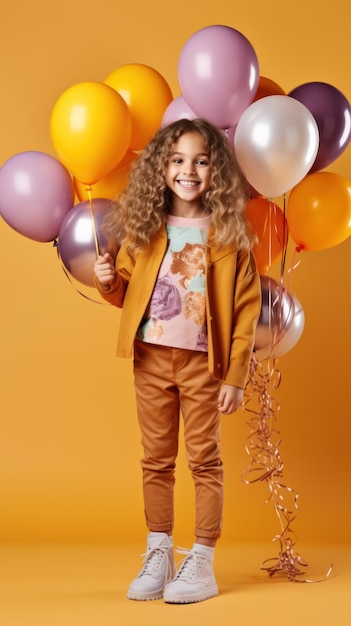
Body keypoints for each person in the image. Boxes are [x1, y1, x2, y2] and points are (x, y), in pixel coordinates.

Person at [93, 118, 261, 604]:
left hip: (204, 365)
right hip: (149, 359)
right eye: (178, 160)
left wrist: (235, 375)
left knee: (205, 461)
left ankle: (202, 561)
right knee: (155, 460)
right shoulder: (145, 230)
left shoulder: (228, 237)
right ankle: (160, 549)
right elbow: (125, 295)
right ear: (162, 168)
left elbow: (247, 311)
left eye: (202, 161)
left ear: (218, 172)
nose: (189, 170)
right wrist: (107, 280)